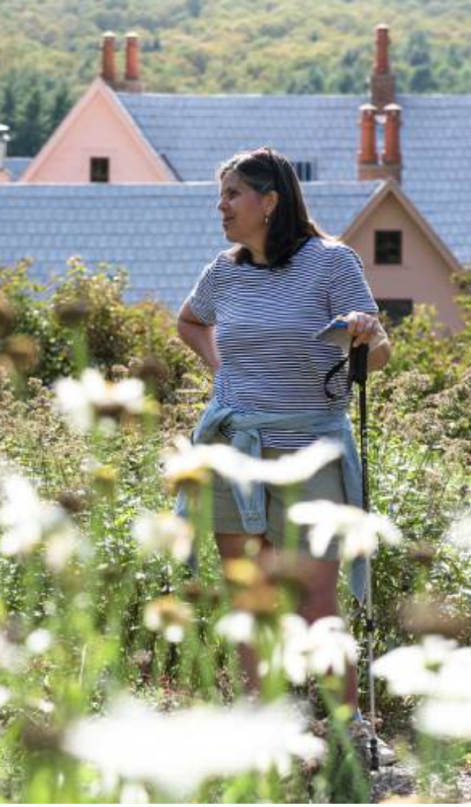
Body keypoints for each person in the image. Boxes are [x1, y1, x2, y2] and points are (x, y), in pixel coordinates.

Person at [176, 148, 392, 741]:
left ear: (269, 201)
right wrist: (223, 371)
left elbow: (376, 350)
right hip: (235, 448)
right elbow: (189, 321)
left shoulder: (332, 263)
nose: (221, 207)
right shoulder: (224, 270)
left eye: (232, 195)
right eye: (221, 195)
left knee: (315, 602)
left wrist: (366, 338)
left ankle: (349, 730)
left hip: (310, 450)